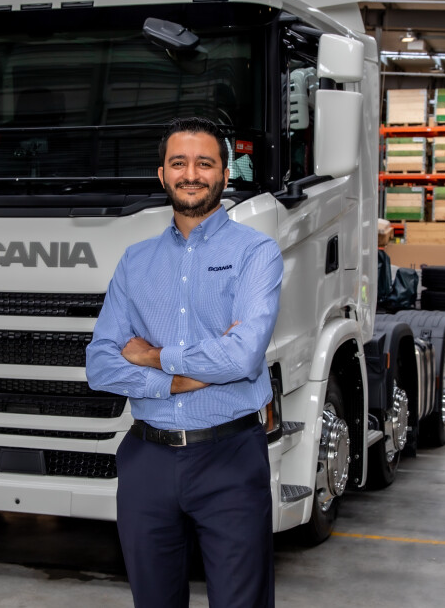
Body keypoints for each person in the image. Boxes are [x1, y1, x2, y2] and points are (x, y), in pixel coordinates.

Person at [86, 116, 283, 608]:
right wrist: (176, 382)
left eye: (204, 163)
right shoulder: (135, 261)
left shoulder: (256, 253)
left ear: (225, 174)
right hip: (147, 459)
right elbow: (101, 364)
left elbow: (243, 355)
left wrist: (153, 357)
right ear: (162, 174)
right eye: (179, 163)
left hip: (230, 456)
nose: (191, 174)